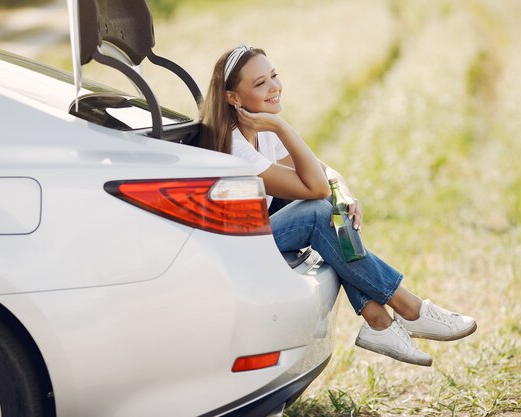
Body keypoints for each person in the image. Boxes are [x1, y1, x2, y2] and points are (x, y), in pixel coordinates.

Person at [198, 45, 477, 366]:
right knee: (320, 213)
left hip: (258, 235)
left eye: (273, 76)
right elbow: (316, 187)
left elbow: (326, 175)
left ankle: (379, 321)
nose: (274, 87)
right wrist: (282, 127)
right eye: (260, 83)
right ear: (234, 97)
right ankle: (409, 310)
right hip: (237, 248)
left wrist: (342, 194)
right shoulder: (237, 145)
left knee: (334, 213)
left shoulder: (259, 128)